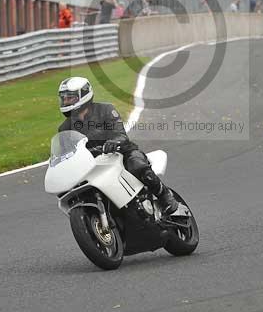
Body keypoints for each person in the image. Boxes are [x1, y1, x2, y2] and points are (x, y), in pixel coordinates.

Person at [57, 77, 178, 214]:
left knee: (137, 165)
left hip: (120, 153)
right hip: (91, 165)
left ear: (84, 95)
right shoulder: (64, 128)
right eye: (64, 98)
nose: (65, 101)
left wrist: (114, 142)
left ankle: (165, 196)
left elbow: (120, 134)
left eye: (70, 98)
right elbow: (66, 155)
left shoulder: (105, 110)